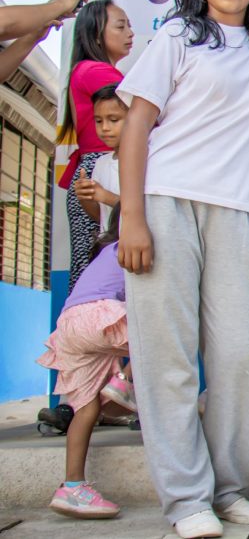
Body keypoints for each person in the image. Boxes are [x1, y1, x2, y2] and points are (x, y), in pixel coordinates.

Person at [116, 0, 249, 539]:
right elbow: (135, 126)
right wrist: (131, 216)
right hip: (165, 203)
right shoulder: (179, 36)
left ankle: (228, 488)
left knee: (241, 355)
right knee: (168, 359)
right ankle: (186, 498)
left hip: (236, 212)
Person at [37, 212, 133, 520]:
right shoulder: (132, 245)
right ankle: (122, 386)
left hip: (69, 325)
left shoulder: (105, 251)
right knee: (162, 331)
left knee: (85, 409)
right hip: (98, 316)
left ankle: (73, 487)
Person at [58, 0, 133, 291]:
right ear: (96, 33)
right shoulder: (95, 72)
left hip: (98, 166)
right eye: (120, 25)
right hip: (99, 166)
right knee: (96, 271)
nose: (130, 33)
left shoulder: (84, 70)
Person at [72, 85, 126, 232]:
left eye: (113, 120)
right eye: (98, 121)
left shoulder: (149, 160)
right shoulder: (101, 163)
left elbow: (146, 212)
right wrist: (86, 197)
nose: (105, 128)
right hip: (110, 249)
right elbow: (100, 216)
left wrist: (105, 196)